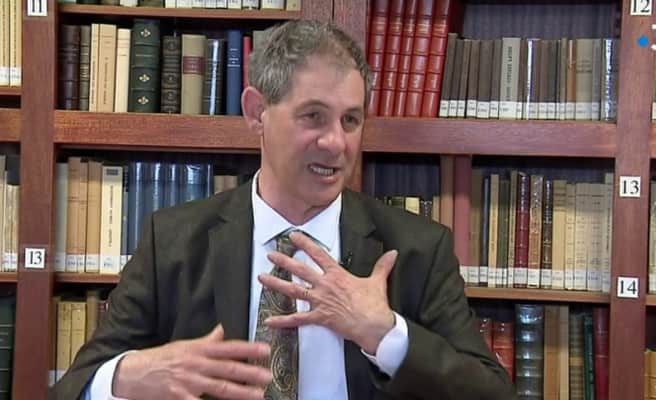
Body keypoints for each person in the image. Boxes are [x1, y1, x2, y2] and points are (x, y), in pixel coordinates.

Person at [50, 20, 516, 400]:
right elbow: (72, 389)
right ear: (257, 112)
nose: (336, 143)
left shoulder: (416, 250)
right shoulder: (172, 242)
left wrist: (385, 334)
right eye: (313, 116)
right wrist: (125, 377)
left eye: (350, 120)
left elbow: (492, 393)